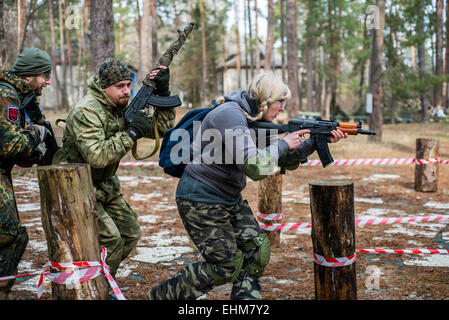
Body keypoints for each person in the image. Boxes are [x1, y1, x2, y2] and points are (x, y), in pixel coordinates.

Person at [148, 71, 347, 300]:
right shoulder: (230, 114)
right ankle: (163, 296)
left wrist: (314, 141)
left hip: (227, 197)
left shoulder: (254, 118)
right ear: (266, 99)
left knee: (255, 254)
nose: (283, 108)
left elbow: (279, 159)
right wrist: (283, 144)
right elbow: (255, 166)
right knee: (226, 265)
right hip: (200, 197)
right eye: (280, 101)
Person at [52, 58, 175, 280]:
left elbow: (163, 127)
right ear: (103, 87)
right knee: (112, 242)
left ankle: (102, 279)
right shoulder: (87, 111)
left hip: (103, 186)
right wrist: (131, 134)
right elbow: (97, 156)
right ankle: (97, 287)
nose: (126, 91)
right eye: (120, 86)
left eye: (128, 85)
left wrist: (164, 92)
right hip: (76, 188)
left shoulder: (121, 108)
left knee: (131, 233)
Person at [0, 47, 53, 299]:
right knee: (9, 235)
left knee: (12, 236)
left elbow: (16, 154)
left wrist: (37, 155)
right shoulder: (5, 94)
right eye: (45, 75)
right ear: (29, 76)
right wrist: (37, 133)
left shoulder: (19, 96)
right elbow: (9, 144)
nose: (48, 81)